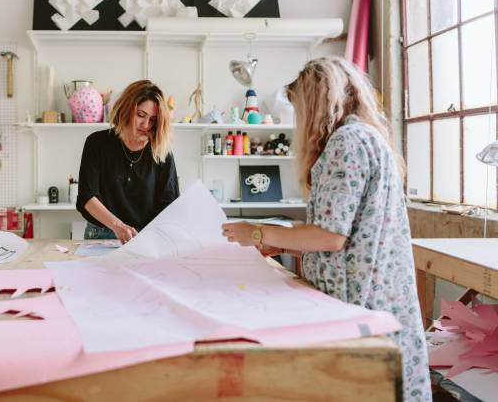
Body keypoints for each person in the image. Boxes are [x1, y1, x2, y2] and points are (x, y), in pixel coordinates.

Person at [221, 57, 432, 402]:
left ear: (317, 103)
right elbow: (347, 231)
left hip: (362, 303)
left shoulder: (346, 143)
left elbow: (329, 237)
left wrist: (257, 232)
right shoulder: (361, 136)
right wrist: (287, 246)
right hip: (373, 298)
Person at [77, 80, 179, 244]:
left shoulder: (161, 152)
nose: (146, 125)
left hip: (145, 237)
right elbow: (87, 196)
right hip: (100, 235)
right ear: (126, 109)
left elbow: (169, 204)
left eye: (153, 119)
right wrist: (118, 226)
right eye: (140, 115)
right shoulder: (96, 143)